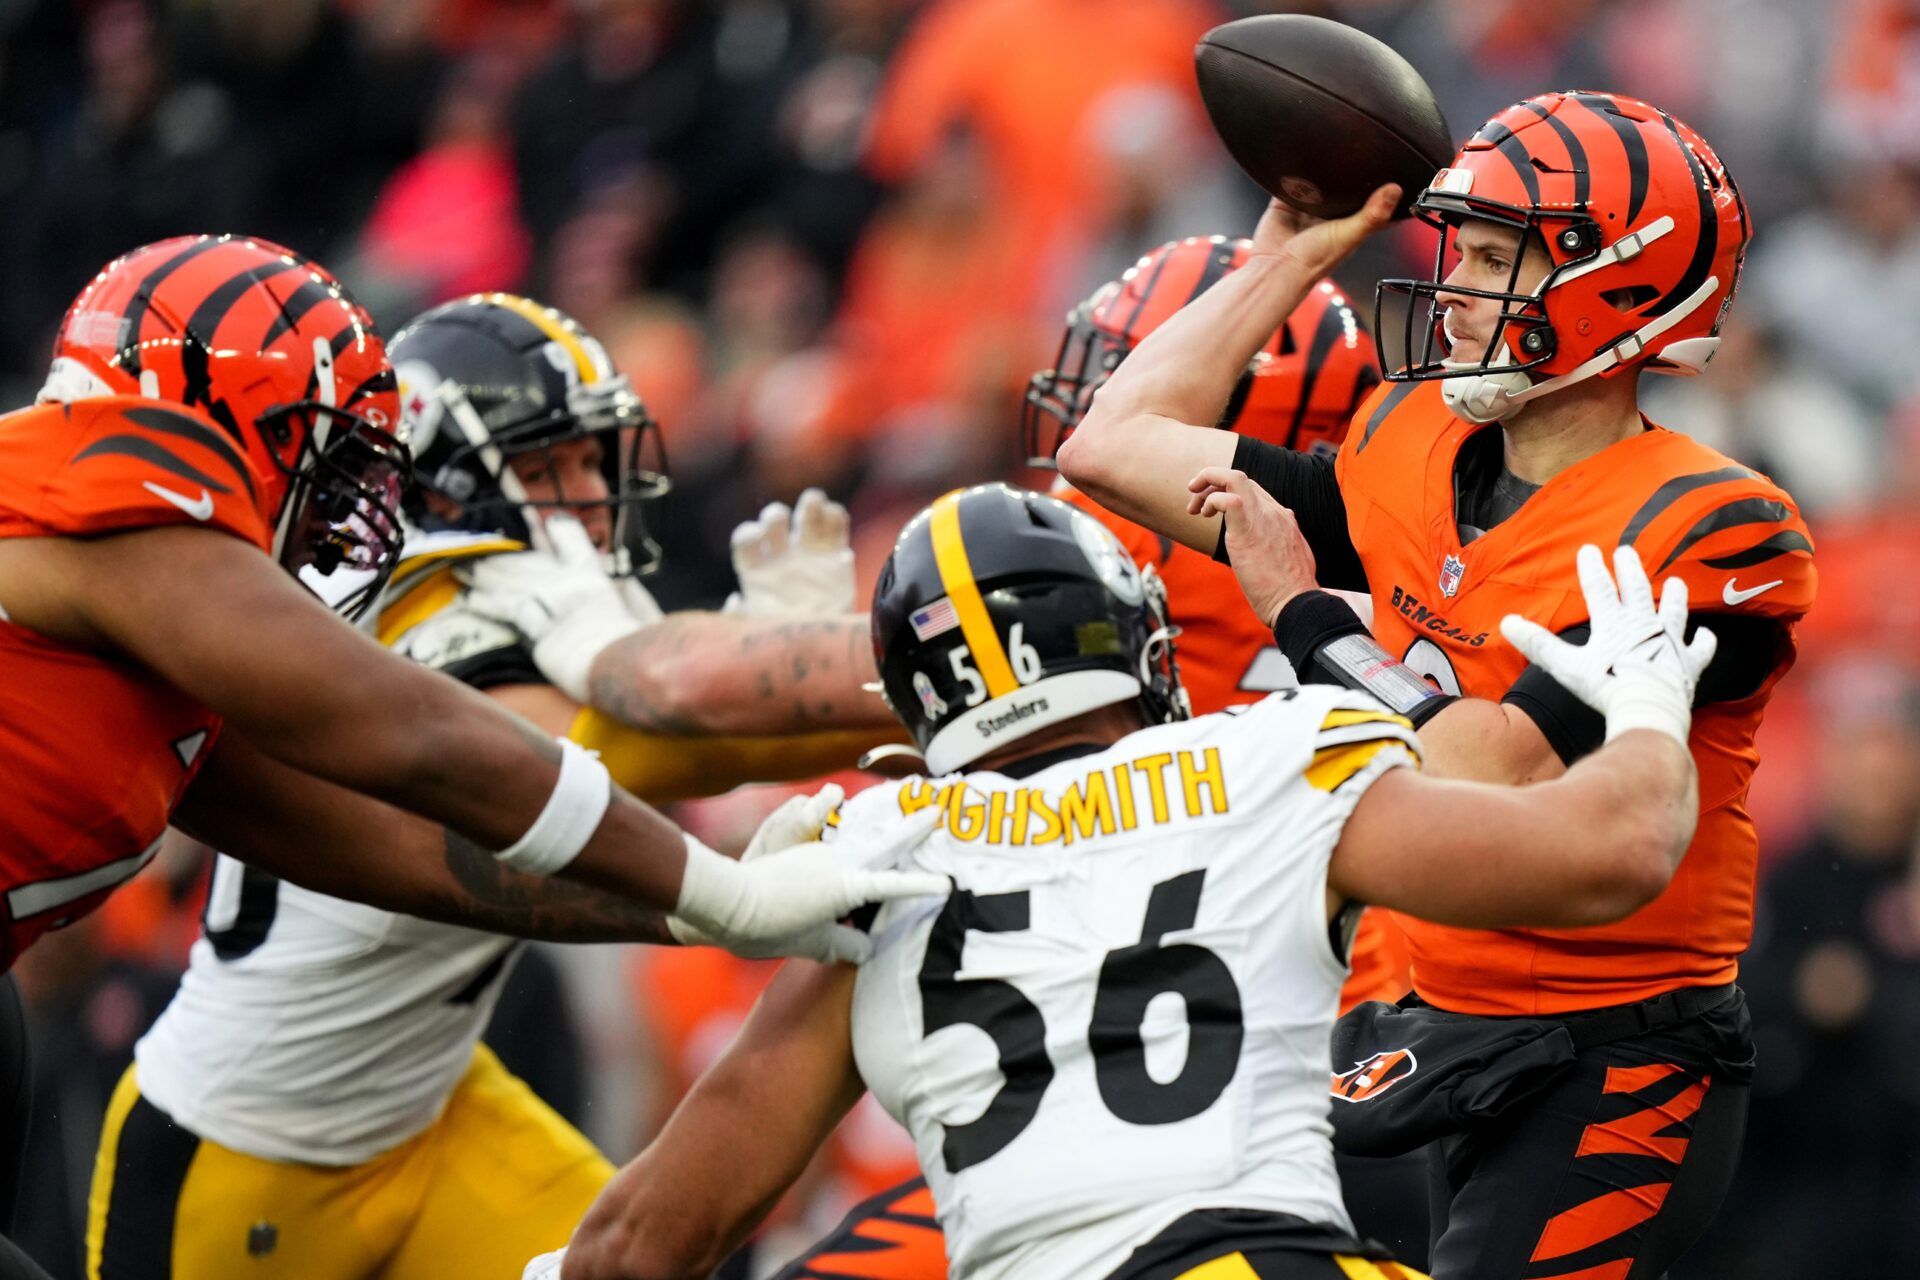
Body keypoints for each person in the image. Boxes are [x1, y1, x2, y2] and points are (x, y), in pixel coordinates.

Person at [0, 239, 941, 1277]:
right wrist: (966, 650)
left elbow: (412, 849)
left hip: (424, 1100)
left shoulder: (172, 638)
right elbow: (475, 736)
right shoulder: (127, 520)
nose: (338, 516)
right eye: (323, 451)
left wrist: (707, 897)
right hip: (248, 1137)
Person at [525, 481, 1714, 1280]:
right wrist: (1651, 703)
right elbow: (1612, 854)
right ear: (1129, 638)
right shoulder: (1264, 757)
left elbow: (642, 1239)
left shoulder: (877, 853)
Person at [1057, 93, 1815, 1278]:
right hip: (1422, 1018)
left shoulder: (1717, 520)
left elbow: (1489, 767)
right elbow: (1110, 442)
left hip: (1611, 1050)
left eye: (1498, 254)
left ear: (1619, 284)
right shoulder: (1409, 438)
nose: (1454, 282)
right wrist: (1292, 259)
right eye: (1458, 246)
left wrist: (1303, 611)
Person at [773, 234, 1412, 1280]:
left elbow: (904, 649)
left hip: (1183, 1036)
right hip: (1348, 1026)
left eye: (1137, 371)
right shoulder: (1405, 575)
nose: (1097, 408)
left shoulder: (1131, 553)